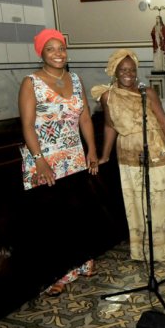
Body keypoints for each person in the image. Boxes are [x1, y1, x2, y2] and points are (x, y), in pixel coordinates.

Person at [18, 28, 99, 295]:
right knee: (49, 219)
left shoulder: (75, 79)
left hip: (73, 157)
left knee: (75, 213)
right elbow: (27, 125)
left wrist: (92, 150)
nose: (58, 53)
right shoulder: (31, 82)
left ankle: (77, 264)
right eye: (50, 49)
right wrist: (39, 160)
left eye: (61, 48)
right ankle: (52, 275)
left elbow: (85, 118)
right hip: (45, 160)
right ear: (41, 52)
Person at [92, 49, 165, 262]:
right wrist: (104, 156)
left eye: (132, 70)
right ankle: (141, 251)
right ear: (114, 71)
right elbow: (110, 126)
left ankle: (161, 249)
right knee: (137, 202)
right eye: (123, 70)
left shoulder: (147, 93)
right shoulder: (107, 96)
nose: (128, 73)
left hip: (157, 150)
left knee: (160, 202)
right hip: (128, 155)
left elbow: (164, 121)